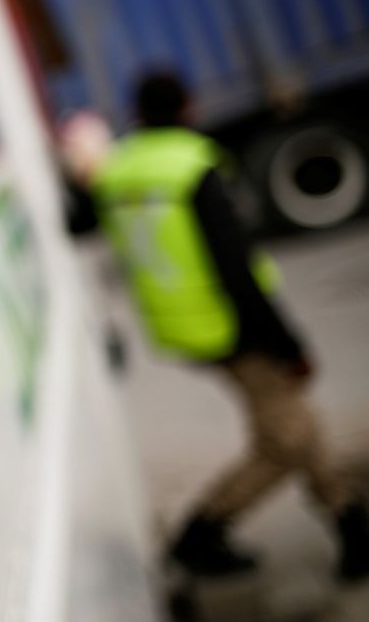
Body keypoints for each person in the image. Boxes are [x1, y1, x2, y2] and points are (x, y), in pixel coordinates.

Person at [91, 71, 369, 581]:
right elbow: (235, 270)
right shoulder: (192, 166)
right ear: (189, 106)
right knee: (290, 437)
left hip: (180, 328)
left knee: (291, 430)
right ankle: (202, 534)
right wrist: (288, 343)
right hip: (232, 327)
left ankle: (350, 532)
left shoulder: (120, 171)